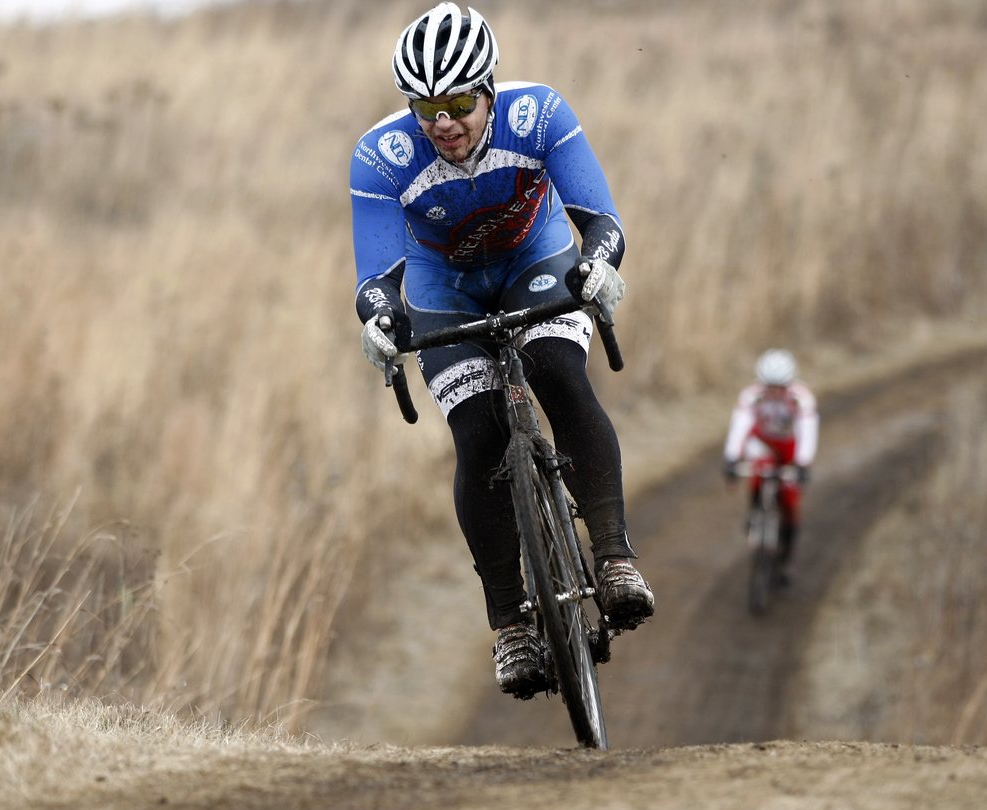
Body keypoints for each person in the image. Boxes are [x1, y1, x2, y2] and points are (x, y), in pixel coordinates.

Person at [349, 4, 654, 699]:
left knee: (557, 371)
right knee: (479, 434)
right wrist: (378, 320)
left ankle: (613, 557)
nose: (443, 123)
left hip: (536, 261)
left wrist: (600, 263)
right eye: (425, 107)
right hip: (443, 288)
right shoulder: (381, 156)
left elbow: (599, 218)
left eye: (459, 102)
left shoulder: (539, 115)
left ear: (488, 88)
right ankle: (511, 623)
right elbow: (376, 277)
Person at [722, 349, 819, 578]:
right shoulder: (751, 396)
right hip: (763, 443)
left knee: (790, 500)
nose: (774, 392)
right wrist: (732, 457)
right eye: (769, 386)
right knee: (758, 470)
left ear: (789, 383)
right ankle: (756, 509)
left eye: (780, 387)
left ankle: (787, 552)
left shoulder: (801, 398)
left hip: (788, 447)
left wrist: (803, 463)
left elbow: (807, 431)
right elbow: (741, 425)